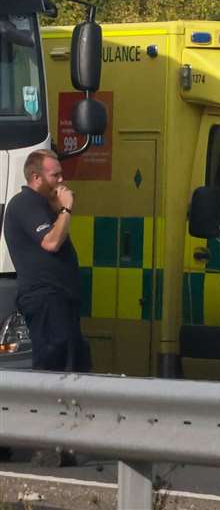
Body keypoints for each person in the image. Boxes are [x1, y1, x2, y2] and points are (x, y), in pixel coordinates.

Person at [3, 151, 88, 467]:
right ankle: (48, 442)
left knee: (71, 363)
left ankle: (64, 440)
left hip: (61, 298)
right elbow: (51, 243)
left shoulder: (42, 206)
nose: (61, 181)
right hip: (45, 297)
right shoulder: (25, 204)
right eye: (55, 176)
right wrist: (65, 209)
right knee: (53, 365)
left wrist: (56, 208)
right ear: (35, 178)